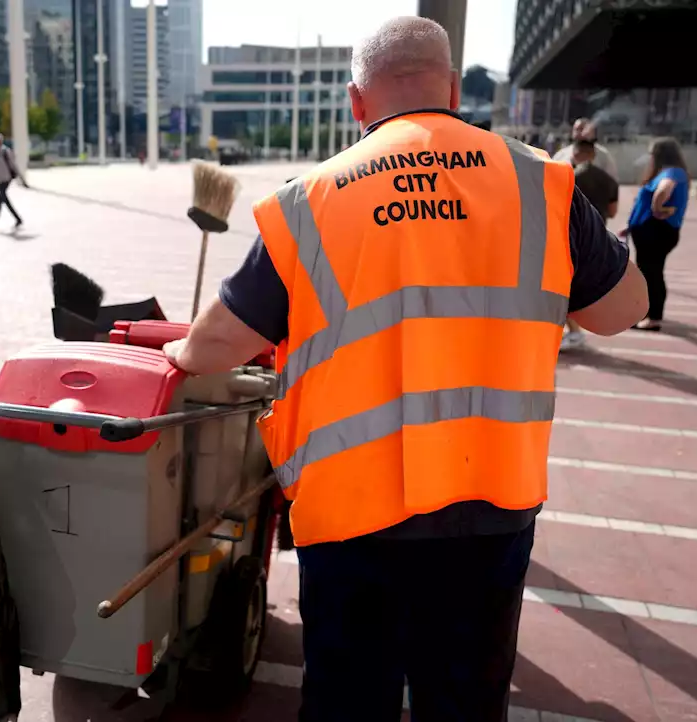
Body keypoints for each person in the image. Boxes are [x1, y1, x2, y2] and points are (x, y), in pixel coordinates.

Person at [161, 16, 648, 722]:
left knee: (349, 702)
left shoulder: (312, 201)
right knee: (466, 702)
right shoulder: (541, 184)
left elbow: (218, 346)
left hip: (352, 516)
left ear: (356, 102)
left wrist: (178, 352)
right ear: (453, 89)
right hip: (491, 506)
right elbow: (621, 311)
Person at [624, 137, 689, 332]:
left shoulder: (671, 173)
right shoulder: (675, 172)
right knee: (651, 272)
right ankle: (649, 314)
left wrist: (658, 208)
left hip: (655, 231)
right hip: (653, 230)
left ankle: (653, 317)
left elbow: (664, 188)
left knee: (651, 274)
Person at [561, 139, 621, 351]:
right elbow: (613, 211)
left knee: (563, 286)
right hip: (595, 235)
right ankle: (575, 330)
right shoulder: (608, 180)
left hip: (569, 235)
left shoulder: (569, 176)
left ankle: (575, 332)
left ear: (575, 154)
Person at [0, 132, 29, 231]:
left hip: (6, 179)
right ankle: (18, 219)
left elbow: (14, 166)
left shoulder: (6, 151)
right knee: (5, 201)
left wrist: (22, 180)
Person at [553, 118, 619, 180]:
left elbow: (612, 181)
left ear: (592, 133)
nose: (579, 133)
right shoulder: (560, 156)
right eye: (576, 130)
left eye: (582, 129)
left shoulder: (603, 156)